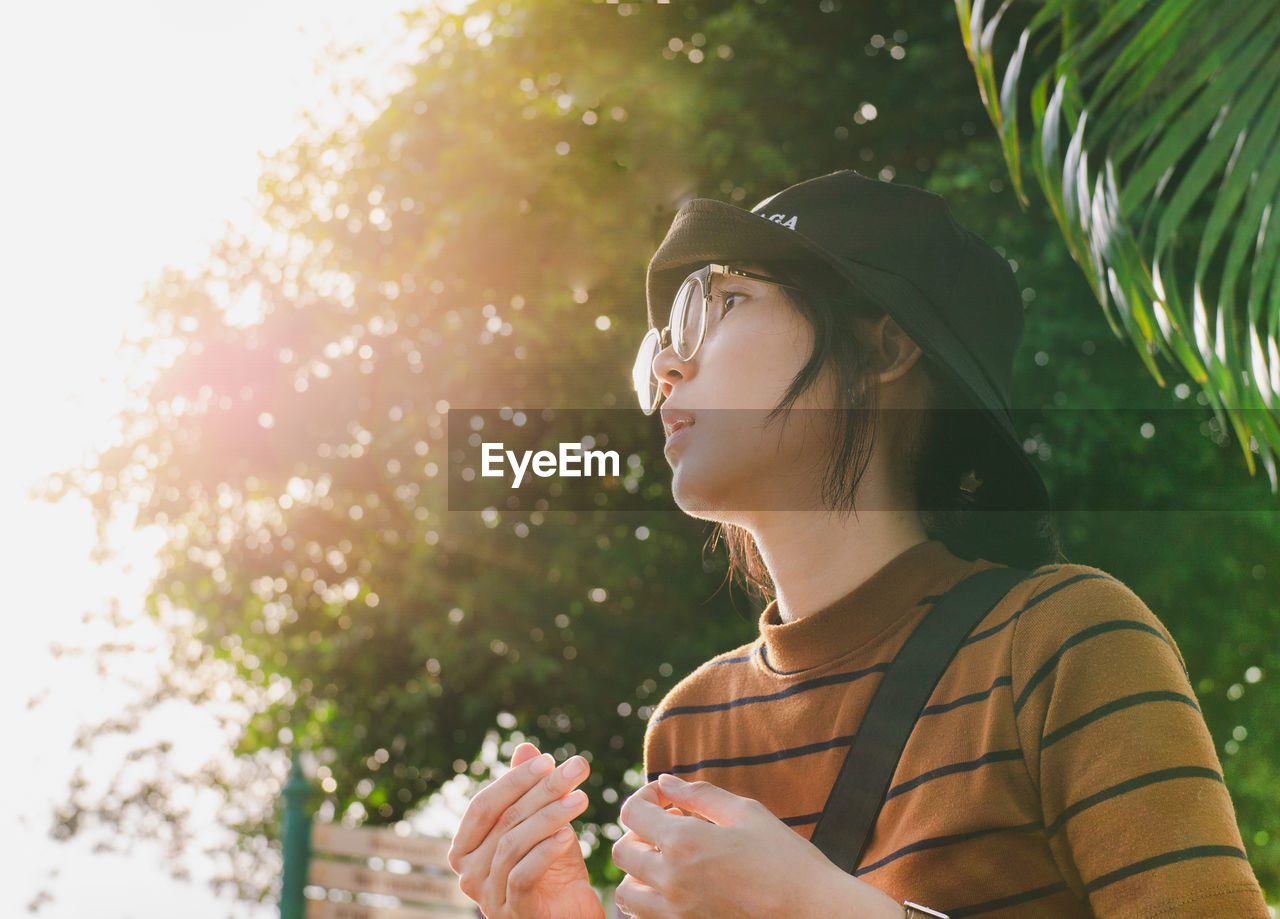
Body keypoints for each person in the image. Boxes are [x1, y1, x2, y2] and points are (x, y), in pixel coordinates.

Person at [447, 171, 1269, 918]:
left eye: (722, 301)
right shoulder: (693, 726)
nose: (666, 361)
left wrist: (823, 908)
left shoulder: (1066, 642)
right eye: (665, 330)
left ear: (885, 347)